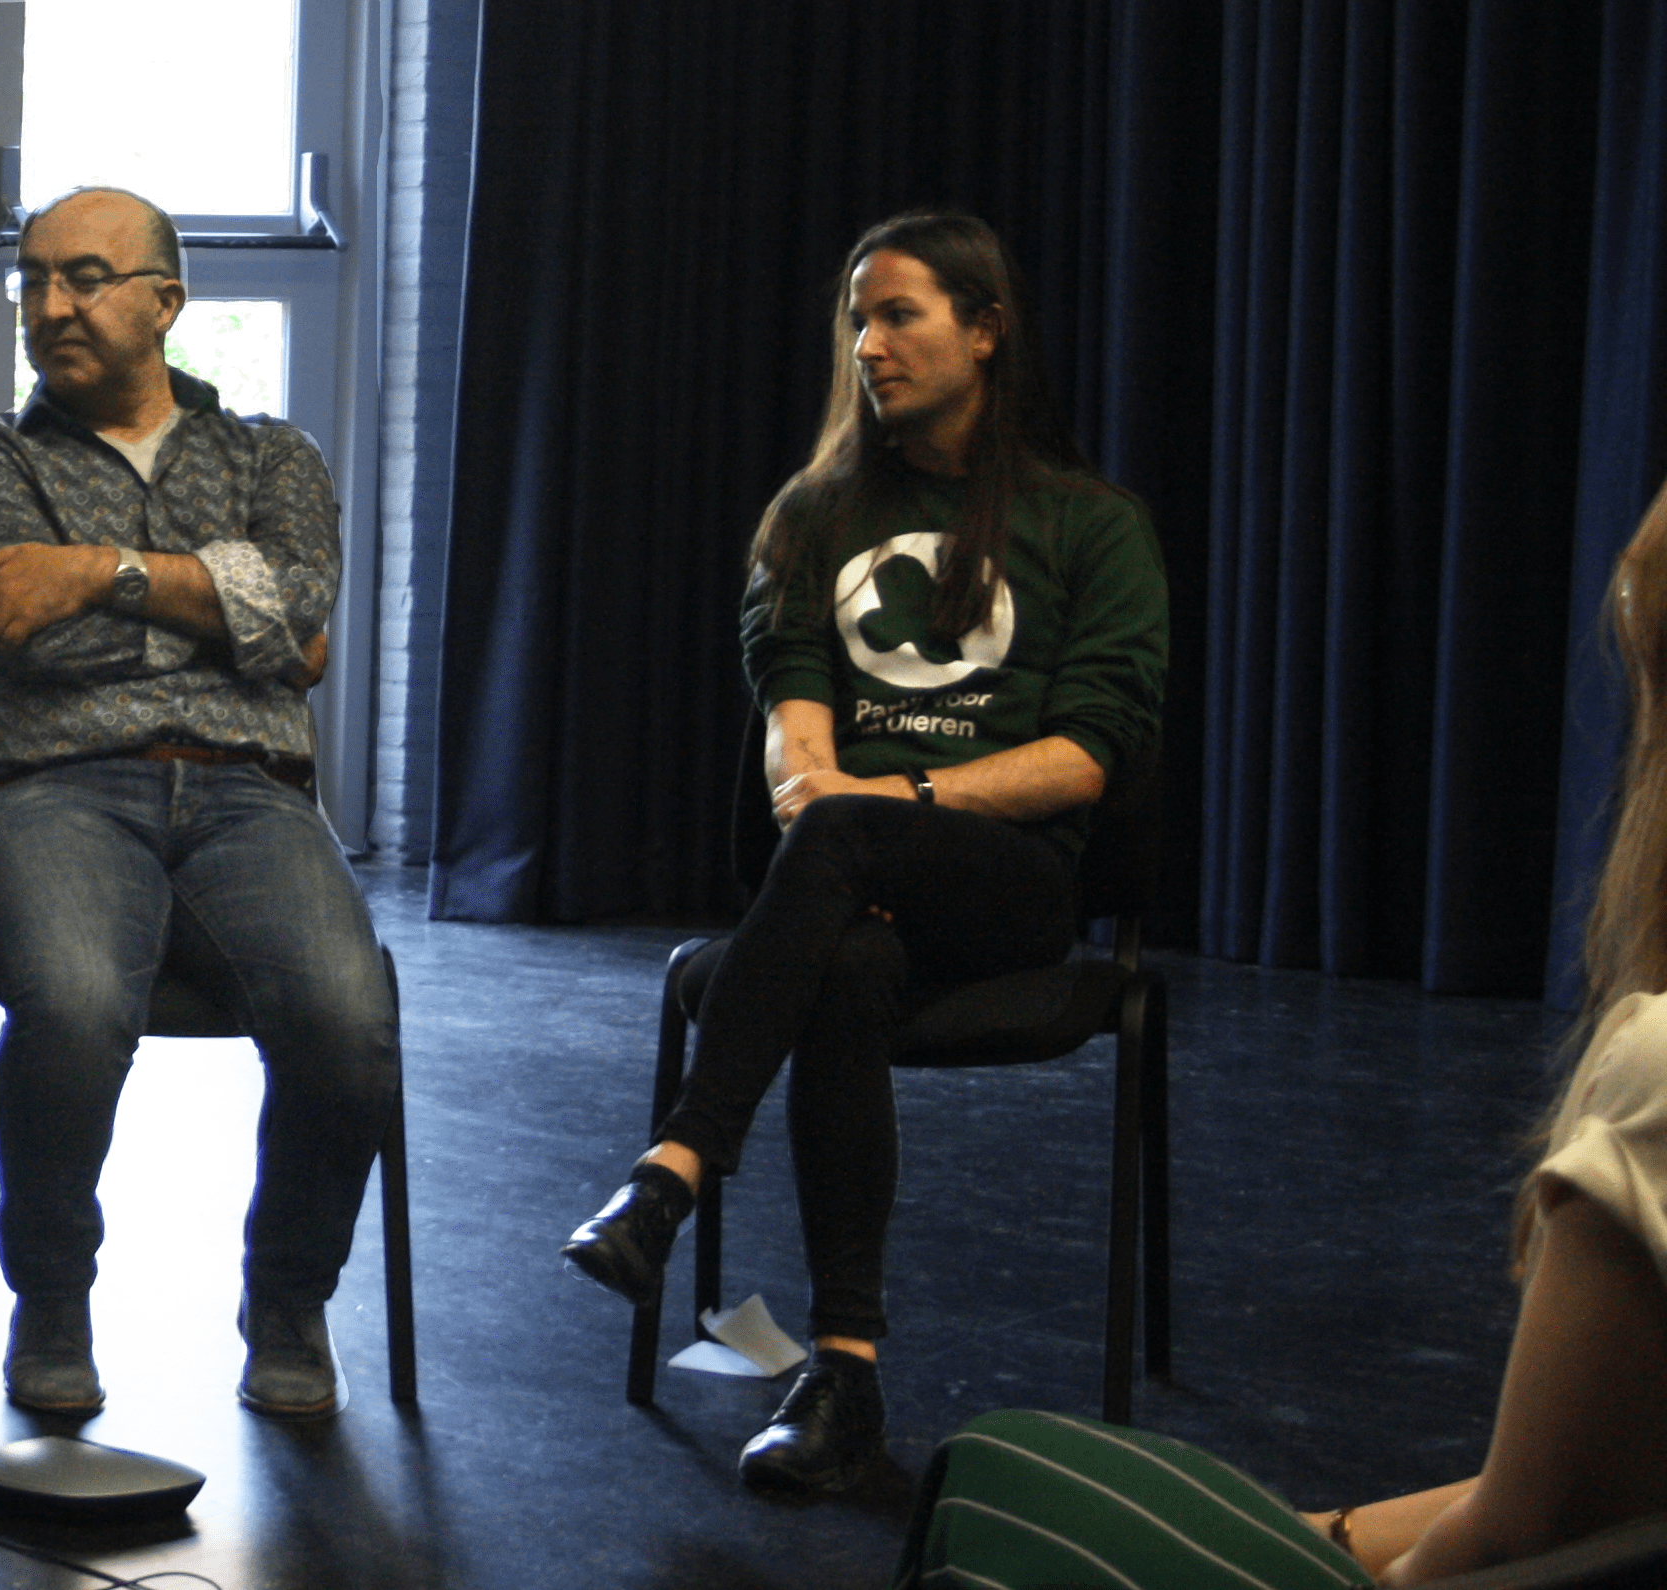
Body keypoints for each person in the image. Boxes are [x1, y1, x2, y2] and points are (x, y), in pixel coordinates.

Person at [896, 485, 1667, 1586]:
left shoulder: (1655, 1070)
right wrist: (1329, 1530)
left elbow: (1516, 1535)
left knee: (994, 1478)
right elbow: (1582, 1484)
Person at [556, 210, 1169, 1491]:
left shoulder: (1091, 527)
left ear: (987, 331)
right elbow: (795, 743)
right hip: (840, 888)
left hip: (1011, 885)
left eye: (900, 315)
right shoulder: (812, 517)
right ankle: (846, 1378)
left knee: (842, 841)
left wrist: (902, 804)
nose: (869, 344)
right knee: (837, 957)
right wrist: (846, 814)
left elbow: (1088, 757)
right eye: (857, 319)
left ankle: (671, 1173)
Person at [0, 186, 398, 1420]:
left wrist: (95, 573)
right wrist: (231, 627)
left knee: (350, 1022)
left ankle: (288, 1303)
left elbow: (297, 609)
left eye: (83, 276)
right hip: (52, 795)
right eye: (31, 279)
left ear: (166, 302)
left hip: (251, 800)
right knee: (79, 1005)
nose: (49, 304)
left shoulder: (270, 455)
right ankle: (52, 1301)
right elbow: (25, 655)